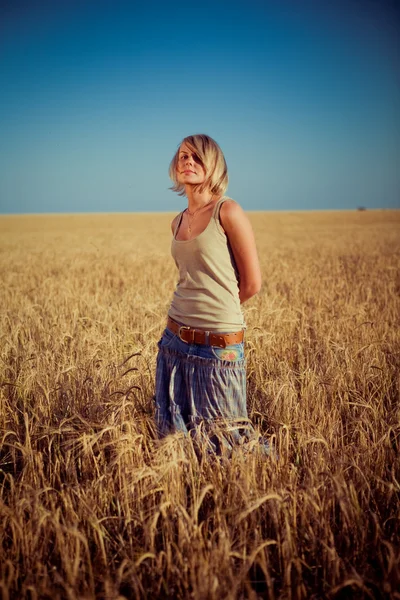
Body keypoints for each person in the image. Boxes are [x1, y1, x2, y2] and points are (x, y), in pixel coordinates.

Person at [155, 133, 268, 456]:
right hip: (174, 340)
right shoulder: (177, 221)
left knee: (230, 441)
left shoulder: (227, 211)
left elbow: (252, 283)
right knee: (175, 437)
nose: (187, 162)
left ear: (213, 164)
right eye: (182, 156)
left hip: (218, 346)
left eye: (196, 157)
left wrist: (216, 315)